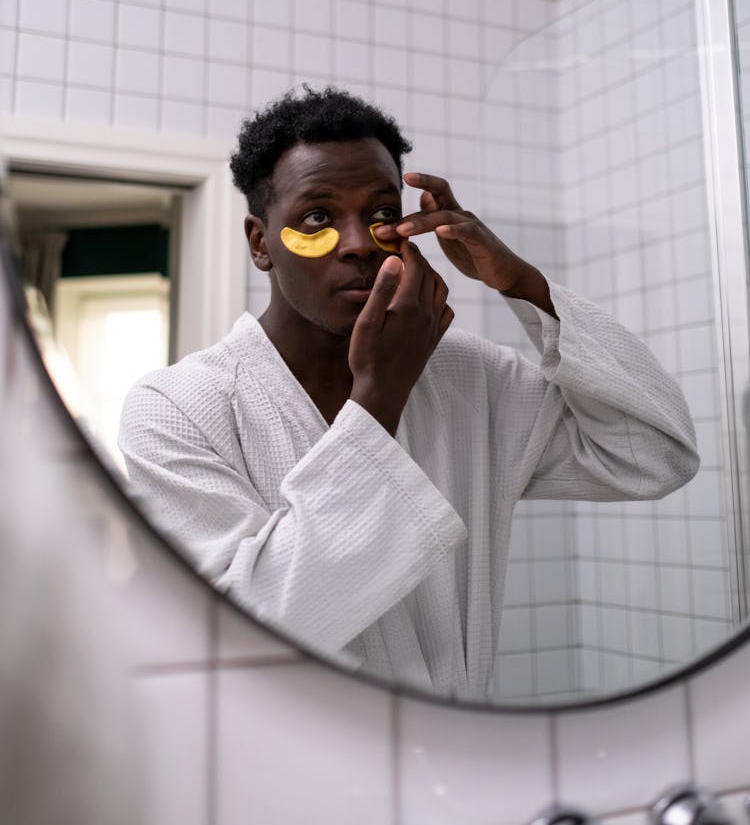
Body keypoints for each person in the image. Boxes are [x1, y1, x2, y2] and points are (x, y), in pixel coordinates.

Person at [119, 85, 699, 701]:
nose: (360, 242)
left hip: (460, 759)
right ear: (260, 241)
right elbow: (248, 633)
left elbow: (654, 455)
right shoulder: (176, 409)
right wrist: (380, 397)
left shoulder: (468, 377)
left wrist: (524, 285)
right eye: (317, 217)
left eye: (380, 213)